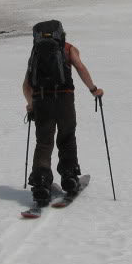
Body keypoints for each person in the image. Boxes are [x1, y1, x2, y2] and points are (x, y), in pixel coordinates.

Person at [23, 20, 104, 208]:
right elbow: (80, 68)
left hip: (41, 101)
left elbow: (26, 85)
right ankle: (69, 177)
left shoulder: (35, 53)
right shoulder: (68, 49)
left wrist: (31, 105)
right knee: (67, 137)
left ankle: (41, 184)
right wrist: (93, 89)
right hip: (65, 99)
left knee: (44, 142)